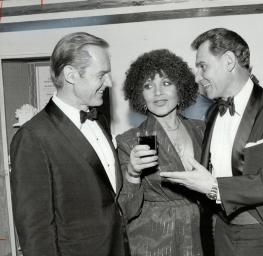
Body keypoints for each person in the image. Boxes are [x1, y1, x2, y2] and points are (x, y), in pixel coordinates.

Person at [160, 28, 263, 256]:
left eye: (203, 66)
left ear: (229, 61)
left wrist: (213, 187)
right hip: (222, 234)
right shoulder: (212, 114)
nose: (198, 76)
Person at [10, 32, 130, 256]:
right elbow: (35, 233)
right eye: (101, 75)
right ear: (71, 75)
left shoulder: (99, 121)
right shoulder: (33, 137)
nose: (110, 82)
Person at [116, 49, 205, 256]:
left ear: (180, 87)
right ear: (139, 94)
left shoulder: (202, 130)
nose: (157, 93)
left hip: (199, 236)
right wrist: (132, 174)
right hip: (153, 241)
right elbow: (125, 210)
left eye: (166, 83)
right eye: (148, 86)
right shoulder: (129, 141)